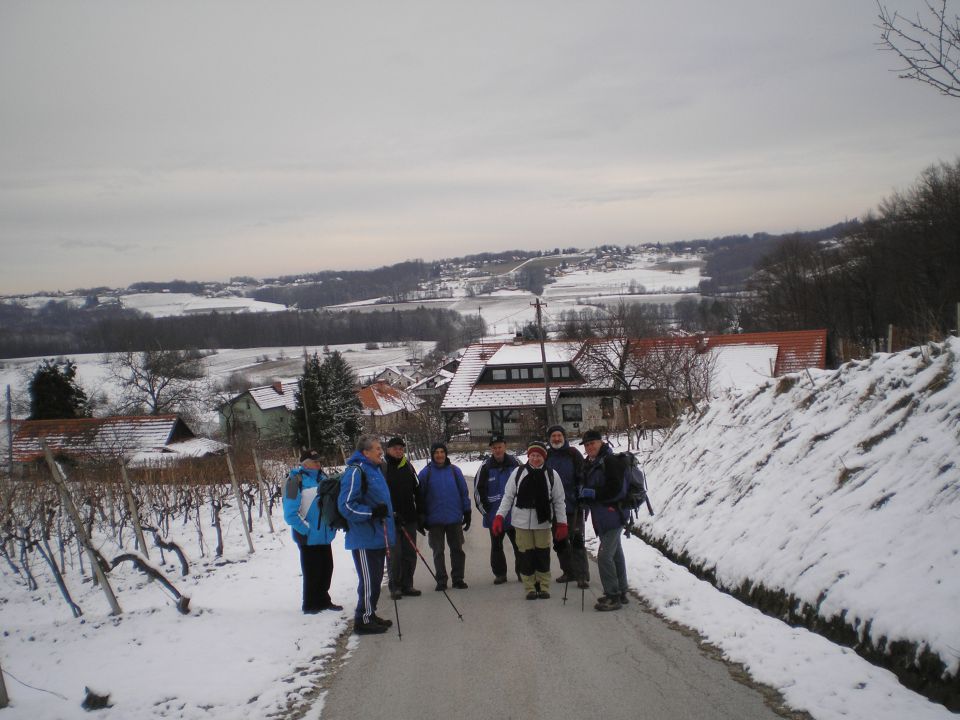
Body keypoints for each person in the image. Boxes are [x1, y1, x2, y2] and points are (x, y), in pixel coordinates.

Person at [492, 441, 567, 600]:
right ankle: (530, 587)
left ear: (544, 457)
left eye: (538, 456)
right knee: (525, 556)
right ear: (528, 456)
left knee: (542, 554)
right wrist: (499, 516)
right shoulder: (518, 473)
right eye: (532, 455)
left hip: (543, 522)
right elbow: (508, 497)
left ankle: (543, 586)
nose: (535, 458)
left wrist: (562, 523)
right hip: (521, 522)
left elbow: (559, 501)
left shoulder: (552, 475)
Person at [338, 435, 397, 634]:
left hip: (379, 535)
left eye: (381, 448)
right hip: (365, 538)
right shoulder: (356, 471)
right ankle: (362, 620)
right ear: (365, 452)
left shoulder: (375, 470)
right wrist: (372, 513)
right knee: (369, 580)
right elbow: (345, 506)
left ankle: (369, 614)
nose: (381, 451)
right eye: (377, 448)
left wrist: (390, 515)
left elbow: (378, 500)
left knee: (376, 579)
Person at [282, 449, 343, 614]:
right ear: (304, 463)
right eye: (314, 461)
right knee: (312, 572)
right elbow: (290, 514)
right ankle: (310, 604)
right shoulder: (295, 481)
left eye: (319, 461)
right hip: (308, 537)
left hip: (325, 535)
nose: (318, 464)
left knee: (326, 569)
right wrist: (306, 530)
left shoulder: (324, 478)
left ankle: (324, 600)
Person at [577, 429, 630, 611]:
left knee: (604, 556)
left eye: (593, 443)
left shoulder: (611, 461)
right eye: (587, 444)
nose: (590, 447)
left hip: (614, 514)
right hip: (601, 516)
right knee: (616, 554)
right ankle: (622, 591)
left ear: (601, 443)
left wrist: (593, 493)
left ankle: (612, 596)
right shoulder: (590, 464)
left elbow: (616, 489)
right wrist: (584, 497)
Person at [418, 441, 471, 591]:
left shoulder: (455, 471)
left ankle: (458, 578)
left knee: (457, 550)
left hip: (454, 518)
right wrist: (421, 516)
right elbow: (420, 496)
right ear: (432, 455)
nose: (439, 455)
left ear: (446, 454)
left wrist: (467, 512)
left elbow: (463, 493)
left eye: (442, 452)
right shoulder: (425, 473)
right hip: (434, 520)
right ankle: (441, 580)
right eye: (436, 453)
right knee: (438, 552)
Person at [545, 424, 589, 589]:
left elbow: (582, 477)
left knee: (577, 540)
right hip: (554, 507)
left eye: (559, 436)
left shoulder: (573, 454)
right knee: (560, 541)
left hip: (573, 505)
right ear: (549, 439)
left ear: (564, 438)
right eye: (553, 436)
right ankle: (569, 571)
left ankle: (582, 575)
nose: (556, 439)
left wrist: (581, 496)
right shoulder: (547, 455)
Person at [473, 434, 521, 584]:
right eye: (494, 447)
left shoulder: (516, 463)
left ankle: (522, 573)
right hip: (494, 518)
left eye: (500, 446)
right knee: (496, 547)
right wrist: (487, 512)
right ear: (491, 449)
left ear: (505, 446)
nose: (497, 450)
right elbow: (478, 492)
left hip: (515, 516)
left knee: (520, 546)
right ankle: (500, 574)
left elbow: (525, 484)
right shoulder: (485, 467)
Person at [382, 436, 422, 600]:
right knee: (394, 554)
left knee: (410, 553)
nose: (398, 451)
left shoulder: (408, 466)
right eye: (395, 448)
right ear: (388, 450)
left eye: (401, 448)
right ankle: (395, 586)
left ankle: (407, 584)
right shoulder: (382, 467)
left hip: (409, 517)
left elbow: (417, 490)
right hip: (390, 519)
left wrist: (420, 513)